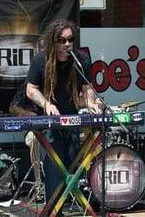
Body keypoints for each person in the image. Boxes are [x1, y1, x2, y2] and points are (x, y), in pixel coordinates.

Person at [25, 20, 102, 199]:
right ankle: (54, 209)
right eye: (62, 40)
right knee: (54, 167)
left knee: (72, 163)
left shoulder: (80, 59)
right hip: (49, 121)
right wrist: (47, 104)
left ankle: (70, 203)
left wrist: (90, 102)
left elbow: (87, 86)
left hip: (72, 119)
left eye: (70, 39)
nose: (67, 44)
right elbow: (31, 90)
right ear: (53, 41)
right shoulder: (40, 60)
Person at [8, 81, 44, 196]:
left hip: (56, 127)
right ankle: (39, 184)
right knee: (34, 139)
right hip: (34, 130)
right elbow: (13, 108)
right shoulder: (28, 85)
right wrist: (29, 114)